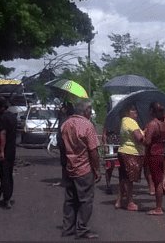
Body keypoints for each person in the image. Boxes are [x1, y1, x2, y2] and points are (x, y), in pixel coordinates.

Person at [60, 99, 102, 240]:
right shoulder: (87, 126)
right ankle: (82, 229)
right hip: (84, 168)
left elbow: (61, 146)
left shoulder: (65, 124)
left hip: (69, 167)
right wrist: (97, 169)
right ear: (86, 111)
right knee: (85, 200)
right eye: (90, 110)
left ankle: (68, 228)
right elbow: (93, 151)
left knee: (70, 200)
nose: (91, 112)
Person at [142, 101, 165, 215]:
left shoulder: (152, 124)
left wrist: (142, 137)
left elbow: (148, 142)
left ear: (152, 111)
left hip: (155, 154)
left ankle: (158, 208)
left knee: (158, 182)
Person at [115, 105, 144, 211]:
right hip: (131, 153)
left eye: (135, 109)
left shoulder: (123, 121)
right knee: (129, 179)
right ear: (127, 112)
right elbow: (139, 138)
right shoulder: (131, 122)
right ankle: (129, 202)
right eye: (132, 110)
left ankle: (119, 200)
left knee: (123, 178)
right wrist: (146, 135)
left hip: (123, 151)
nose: (135, 111)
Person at [0, 96, 17, 209]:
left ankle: (6, 199)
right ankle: (7, 197)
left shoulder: (3, 118)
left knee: (5, 175)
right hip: (11, 150)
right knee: (8, 174)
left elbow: (3, 134)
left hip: (5, 151)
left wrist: (1, 151)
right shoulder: (12, 117)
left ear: (2, 107)